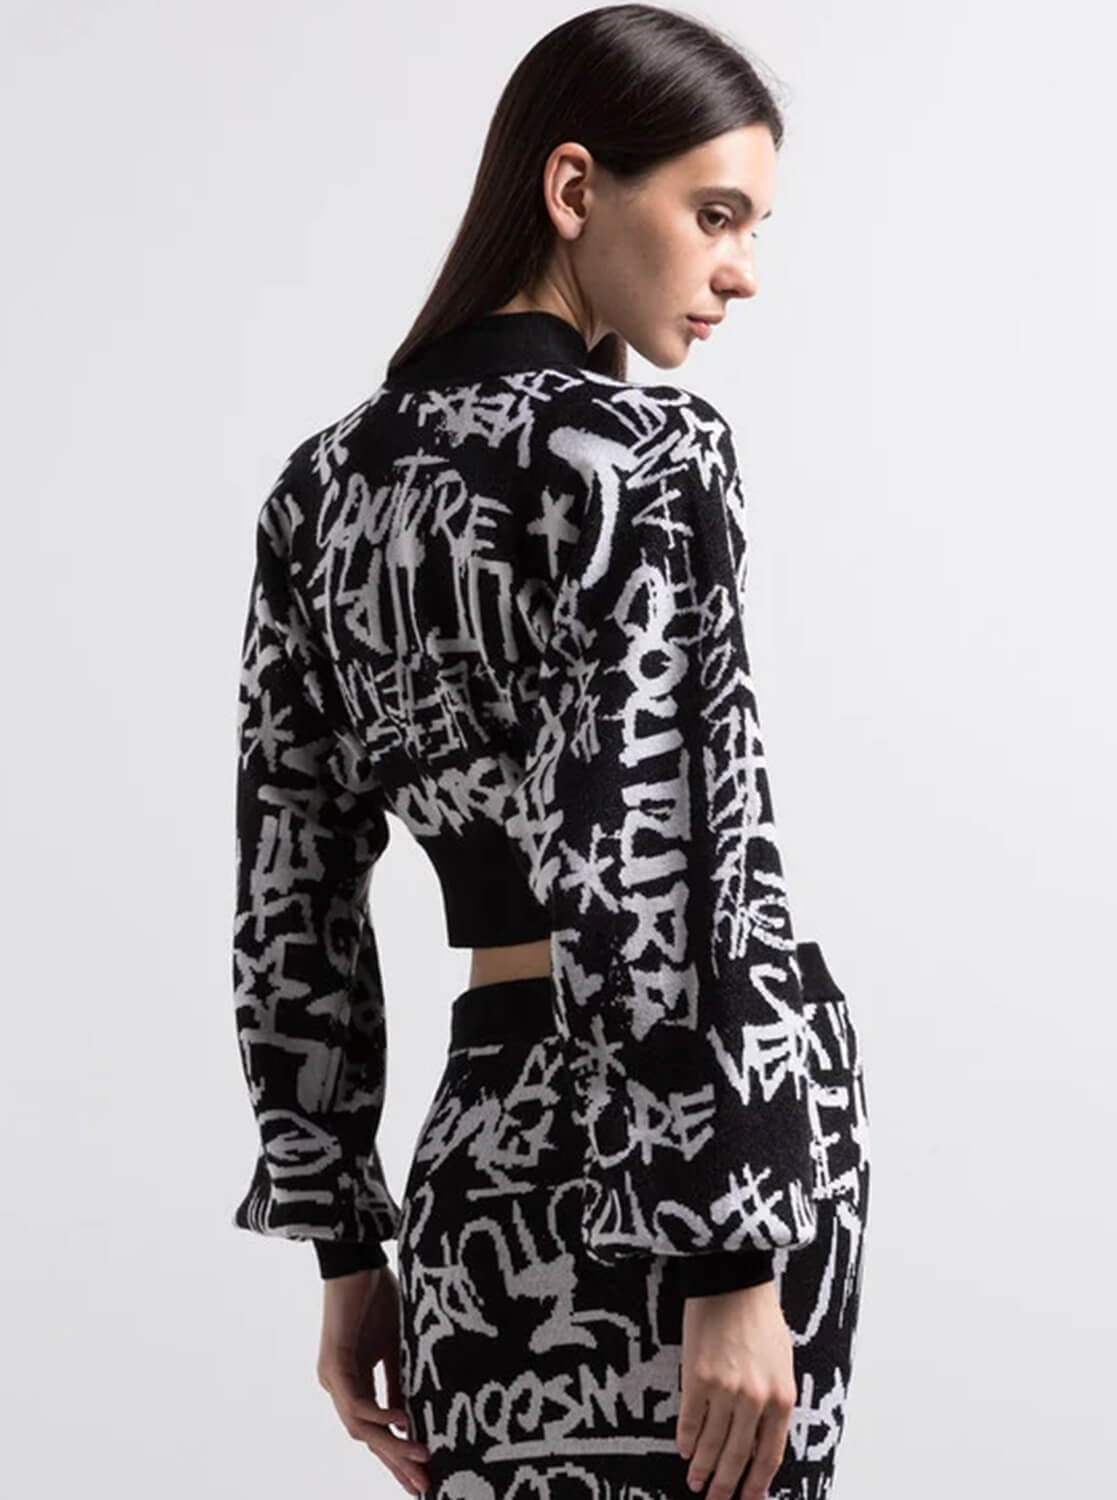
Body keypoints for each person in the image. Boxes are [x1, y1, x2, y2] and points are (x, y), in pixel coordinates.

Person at [229, 6, 870, 1498]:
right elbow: (676, 848)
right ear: (575, 189)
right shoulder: (649, 457)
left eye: (756, 228)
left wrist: (346, 1240)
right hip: (710, 1153)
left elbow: (290, 900)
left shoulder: (321, 490)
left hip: (483, 1147)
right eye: (716, 215)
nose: (744, 271)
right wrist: (731, 1252)